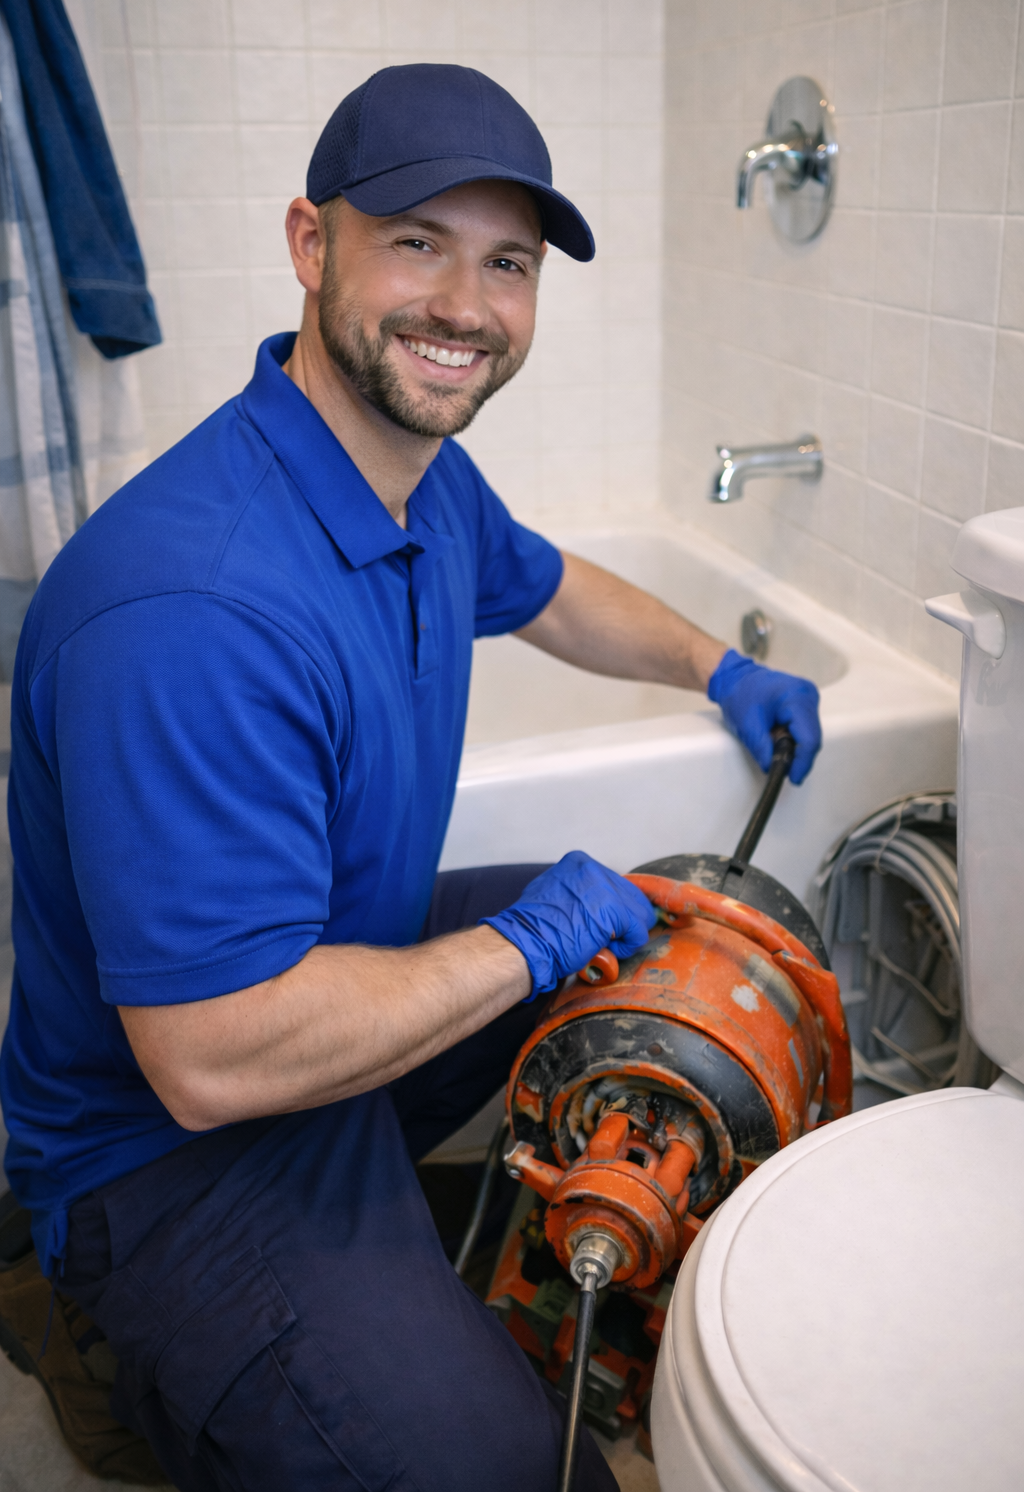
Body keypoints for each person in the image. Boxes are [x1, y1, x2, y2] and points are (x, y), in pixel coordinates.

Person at [0, 65, 821, 1492]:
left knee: (652, 940)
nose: (464, 304)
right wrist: (521, 940)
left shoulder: (418, 478)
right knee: (515, 1472)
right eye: (417, 242)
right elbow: (211, 1058)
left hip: (315, 984)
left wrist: (718, 669)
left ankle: (426, 1264)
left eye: (507, 262)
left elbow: (551, 590)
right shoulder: (192, 609)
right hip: (166, 1156)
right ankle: (111, 1337)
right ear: (310, 245)